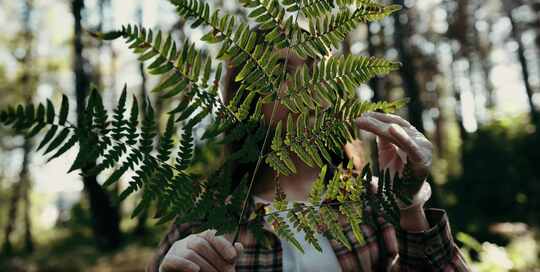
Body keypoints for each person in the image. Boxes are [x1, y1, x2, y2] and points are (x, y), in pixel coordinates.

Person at [148, 48, 471, 272]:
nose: (309, 86)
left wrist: (410, 208)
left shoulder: (371, 199)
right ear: (245, 98)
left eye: (317, 70)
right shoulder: (203, 215)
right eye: (284, 71)